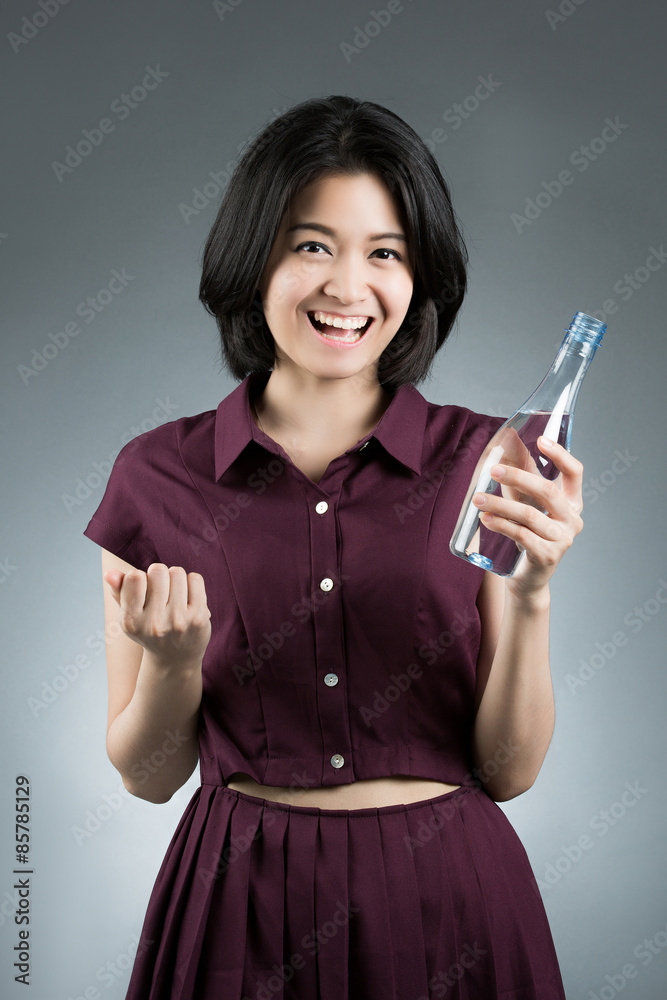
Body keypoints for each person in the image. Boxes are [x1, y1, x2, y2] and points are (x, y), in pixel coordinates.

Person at [83, 95, 582, 999]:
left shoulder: (489, 462)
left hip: (450, 904)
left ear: (418, 277)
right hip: (237, 903)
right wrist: (172, 667)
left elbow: (509, 773)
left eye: (384, 253)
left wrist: (535, 591)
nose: (347, 288)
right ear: (253, 257)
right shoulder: (154, 476)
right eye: (311, 245)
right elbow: (151, 781)